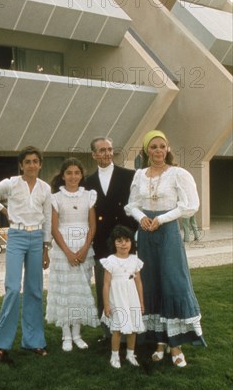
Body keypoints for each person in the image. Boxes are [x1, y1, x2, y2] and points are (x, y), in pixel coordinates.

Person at [125, 130, 207, 367]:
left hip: (168, 231)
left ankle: (176, 344)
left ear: (168, 149)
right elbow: (132, 205)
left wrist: (161, 219)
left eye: (162, 146)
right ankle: (159, 341)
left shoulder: (178, 174)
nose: (158, 150)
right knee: (151, 281)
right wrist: (142, 218)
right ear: (146, 151)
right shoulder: (140, 175)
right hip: (147, 235)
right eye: (153, 147)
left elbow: (190, 205)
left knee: (173, 281)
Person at [0, 146, 51, 362]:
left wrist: (45, 248)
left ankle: (34, 341)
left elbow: (48, 218)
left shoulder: (45, 188)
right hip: (17, 236)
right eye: (27, 161)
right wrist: (4, 211)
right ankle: (1, 344)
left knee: (35, 290)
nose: (32, 165)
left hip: (37, 238)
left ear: (40, 164)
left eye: (35, 161)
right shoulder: (11, 183)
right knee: (12, 288)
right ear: (21, 164)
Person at [84, 137, 137, 341]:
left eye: (109, 149)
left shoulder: (129, 176)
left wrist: (130, 235)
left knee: (126, 287)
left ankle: (129, 332)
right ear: (94, 154)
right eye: (102, 150)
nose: (107, 154)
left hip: (125, 241)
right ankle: (107, 334)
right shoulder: (88, 182)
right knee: (103, 288)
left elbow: (135, 207)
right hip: (101, 243)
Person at [46, 158, 99, 352]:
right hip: (63, 249)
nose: (73, 177)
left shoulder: (89, 196)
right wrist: (67, 252)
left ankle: (77, 334)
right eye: (69, 173)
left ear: (81, 175)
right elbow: (54, 228)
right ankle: (66, 335)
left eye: (77, 173)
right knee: (65, 291)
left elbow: (92, 225)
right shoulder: (56, 198)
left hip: (84, 246)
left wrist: (85, 248)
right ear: (63, 176)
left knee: (80, 291)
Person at [101, 225, 145, 369]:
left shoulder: (134, 260)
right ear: (113, 243)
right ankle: (114, 356)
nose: (123, 244)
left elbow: (138, 283)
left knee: (132, 329)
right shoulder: (111, 261)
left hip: (131, 298)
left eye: (126, 240)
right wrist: (107, 305)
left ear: (131, 243)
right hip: (117, 299)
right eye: (119, 241)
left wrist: (141, 302)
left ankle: (130, 354)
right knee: (117, 329)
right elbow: (106, 284)